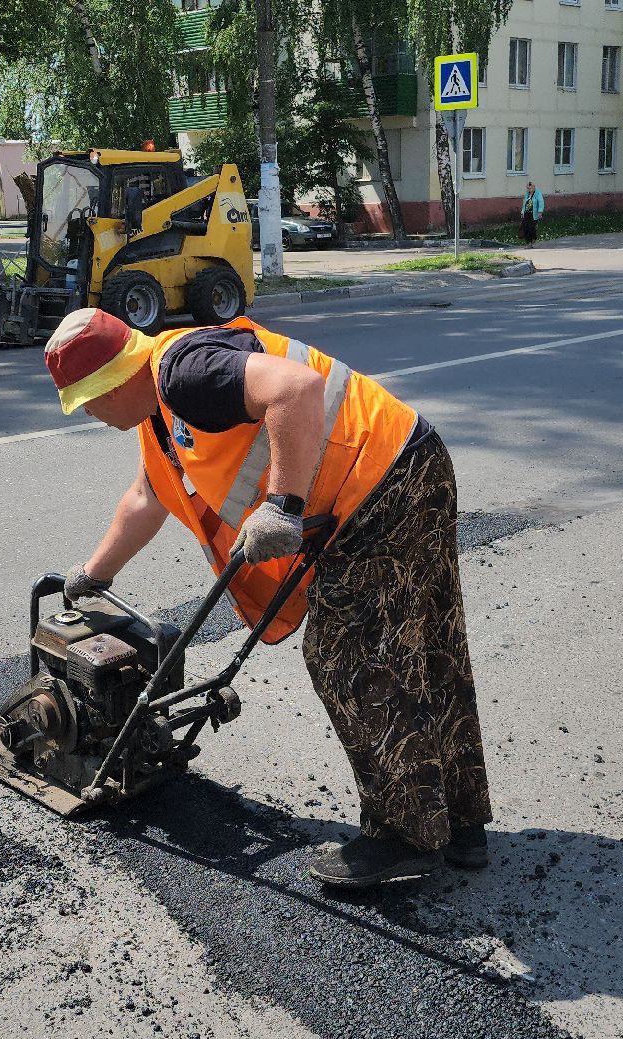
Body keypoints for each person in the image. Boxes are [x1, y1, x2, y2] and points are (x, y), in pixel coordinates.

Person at [44, 307, 494, 889]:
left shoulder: (184, 372)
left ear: (113, 381)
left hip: (382, 485)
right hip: (403, 467)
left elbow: (296, 387)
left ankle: (405, 835)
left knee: (349, 662)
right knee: (424, 646)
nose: (95, 418)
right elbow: (144, 500)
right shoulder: (160, 415)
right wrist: (93, 575)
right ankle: (456, 821)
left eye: (90, 403)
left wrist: (282, 503)